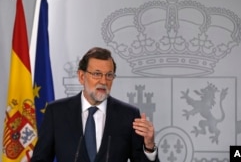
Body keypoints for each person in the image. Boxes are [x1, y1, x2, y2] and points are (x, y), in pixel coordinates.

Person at [31, 47, 160, 162]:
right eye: (97, 74)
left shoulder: (128, 115)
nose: (103, 81)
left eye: (109, 75)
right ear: (81, 76)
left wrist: (149, 147)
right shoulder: (57, 112)